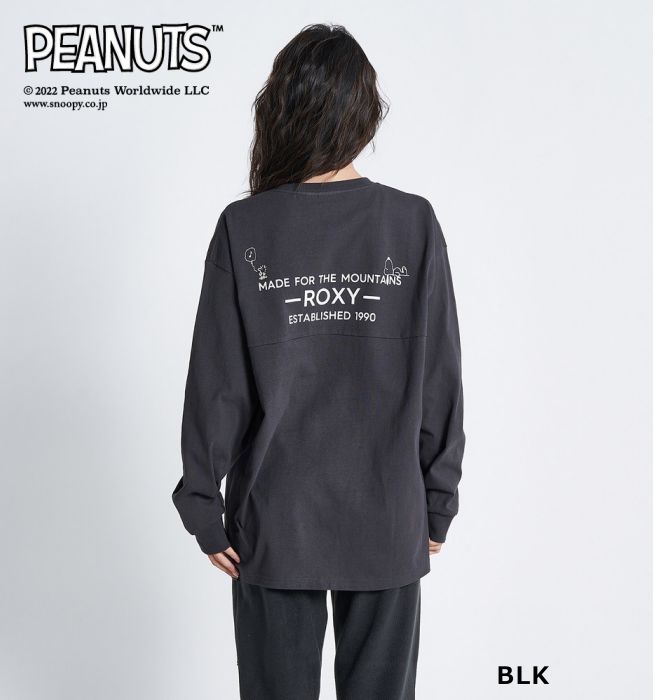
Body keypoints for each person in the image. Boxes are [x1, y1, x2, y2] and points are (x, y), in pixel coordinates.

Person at [172, 23, 465, 700]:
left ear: (282, 110)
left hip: (275, 521)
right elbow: (440, 378)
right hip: (387, 516)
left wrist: (203, 504)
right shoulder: (411, 223)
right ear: (364, 112)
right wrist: (437, 500)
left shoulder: (247, 227)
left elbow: (217, 384)